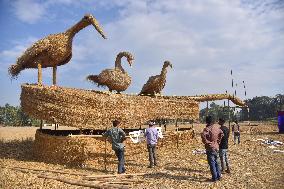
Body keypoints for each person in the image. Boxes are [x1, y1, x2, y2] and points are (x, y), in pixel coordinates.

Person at [201, 116, 224, 182]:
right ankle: (219, 176)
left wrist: (207, 143)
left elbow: (203, 135)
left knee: (212, 163)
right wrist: (218, 141)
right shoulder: (217, 128)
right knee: (217, 162)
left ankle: (214, 178)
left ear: (207, 121)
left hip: (210, 148)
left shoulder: (207, 129)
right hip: (216, 147)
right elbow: (222, 134)